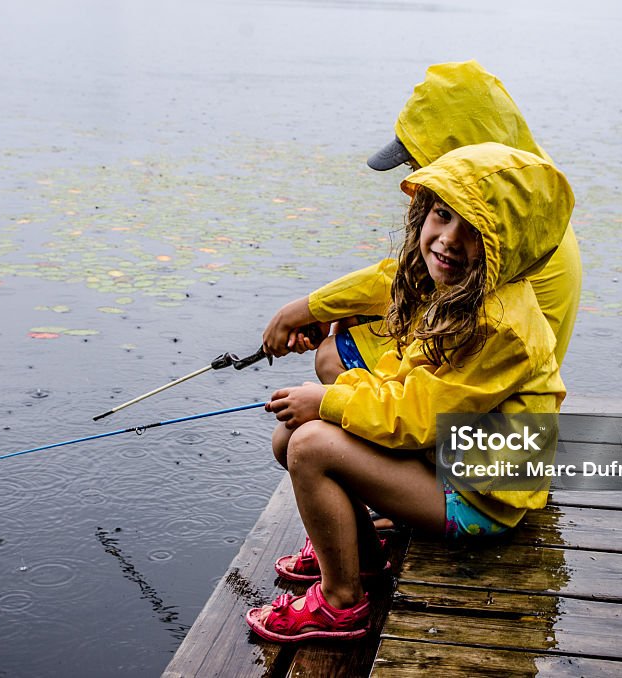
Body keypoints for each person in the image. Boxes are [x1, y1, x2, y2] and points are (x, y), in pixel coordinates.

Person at [245, 141, 574, 642]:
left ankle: (340, 604)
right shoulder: (461, 289)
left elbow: (417, 417)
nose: (448, 239)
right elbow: (408, 375)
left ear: (508, 245)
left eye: (474, 230)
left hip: (482, 498)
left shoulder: (500, 326)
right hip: (444, 458)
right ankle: (361, 557)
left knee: (310, 446)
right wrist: (329, 388)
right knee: (289, 438)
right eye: (443, 215)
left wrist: (329, 400)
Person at [263, 60, 582, 384]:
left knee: (333, 357)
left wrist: (304, 315)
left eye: (419, 165)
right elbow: (411, 281)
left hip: (485, 396)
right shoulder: (523, 187)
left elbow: (423, 290)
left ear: (462, 156)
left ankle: (346, 427)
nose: (415, 184)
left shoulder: (497, 221)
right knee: (355, 314)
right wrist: (324, 309)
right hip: (471, 335)